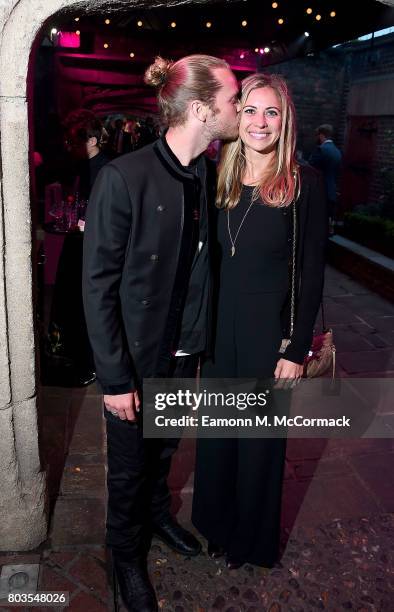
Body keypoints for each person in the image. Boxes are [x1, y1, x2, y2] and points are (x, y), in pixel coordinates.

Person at [82, 55, 239, 612]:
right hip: (136, 362)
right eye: (232, 100)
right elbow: (97, 286)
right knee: (127, 469)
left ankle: (155, 517)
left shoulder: (204, 173)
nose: (237, 109)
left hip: (182, 354)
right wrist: (115, 379)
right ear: (200, 109)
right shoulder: (123, 178)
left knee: (164, 451)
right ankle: (124, 557)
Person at [192, 73, 327, 569]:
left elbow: (311, 273)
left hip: (267, 332)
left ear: (284, 119)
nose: (259, 122)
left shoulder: (302, 182)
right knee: (219, 435)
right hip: (218, 328)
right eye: (250, 110)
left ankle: (250, 540)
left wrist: (294, 350)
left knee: (258, 445)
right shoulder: (215, 176)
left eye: (271, 112)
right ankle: (217, 526)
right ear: (237, 116)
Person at [46, 109, 109, 386]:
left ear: (93, 140)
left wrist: (89, 224)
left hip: (96, 247)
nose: (70, 146)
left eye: (75, 141)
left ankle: (89, 362)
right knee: (68, 300)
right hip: (77, 243)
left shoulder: (107, 169)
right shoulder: (79, 165)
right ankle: (72, 355)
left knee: (87, 305)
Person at [309, 123, 342, 231]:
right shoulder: (338, 152)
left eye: (317, 135)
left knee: (315, 223)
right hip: (331, 190)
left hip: (319, 190)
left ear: (321, 135)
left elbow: (310, 168)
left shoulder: (321, 149)